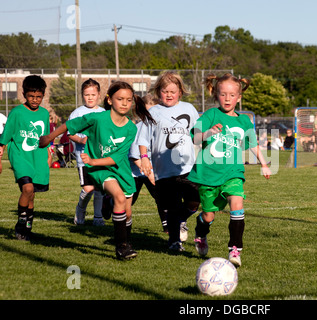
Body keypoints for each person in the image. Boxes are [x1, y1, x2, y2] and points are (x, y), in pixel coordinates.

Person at [39, 81, 154, 260]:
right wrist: (49, 138)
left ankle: (125, 238)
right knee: (119, 197)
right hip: (99, 170)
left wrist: (93, 159)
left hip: (119, 169)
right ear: (109, 100)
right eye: (120, 99)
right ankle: (121, 247)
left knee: (127, 212)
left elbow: (116, 158)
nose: (124, 103)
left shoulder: (131, 128)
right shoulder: (97, 118)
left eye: (128, 100)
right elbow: (70, 126)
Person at [188, 73, 271, 267]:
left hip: (233, 173)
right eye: (223, 94)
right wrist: (209, 132)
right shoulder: (211, 115)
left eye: (232, 95)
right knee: (208, 215)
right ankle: (200, 233)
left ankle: (235, 249)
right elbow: (195, 138)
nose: (227, 98)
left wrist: (264, 163)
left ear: (239, 98)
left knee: (237, 203)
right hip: (208, 175)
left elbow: (253, 144)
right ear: (216, 94)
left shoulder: (244, 122)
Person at [138, 71, 200, 252]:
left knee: (194, 201)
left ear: (180, 91)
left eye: (173, 91)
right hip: (164, 169)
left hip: (188, 167)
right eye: (165, 91)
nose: (169, 95)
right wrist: (144, 159)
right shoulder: (153, 112)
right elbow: (143, 139)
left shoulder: (189, 109)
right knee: (172, 207)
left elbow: (198, 135)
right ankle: (174, 241)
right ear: (158, 92)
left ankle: (181, 221)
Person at [0, 75, 51, 240]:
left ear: (43, 95)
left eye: (38, 97)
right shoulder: (17, 113)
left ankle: (28, 227)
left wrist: (49, 154)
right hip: (21, 156)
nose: (35, 100)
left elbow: (46, 137)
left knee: (32, 194)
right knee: (27, 189)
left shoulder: (44, 114)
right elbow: (5, 137)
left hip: (37, 157)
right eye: (31, 96)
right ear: (24, 94)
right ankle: (21, 224)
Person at [68, 78, 105, 226]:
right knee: (88, 188)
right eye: (86, 94)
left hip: (100, 159)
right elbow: (70, 133)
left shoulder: (104, 113)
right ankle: (80, 209)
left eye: (93, 94)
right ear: (82, 95)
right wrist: (81, 140)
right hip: (83, 158)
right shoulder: (77, 113)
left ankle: (98, 217)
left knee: (100, 188)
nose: (90, 97)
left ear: (99, 95)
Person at [129, 93, 168, 233]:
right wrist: (149, 173)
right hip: (135, 172)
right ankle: (108, 203)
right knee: (130, 200)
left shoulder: (161, 128)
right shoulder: (139, 128)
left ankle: (167, 225)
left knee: (161, 197)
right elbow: (134, 155)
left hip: (153, 171)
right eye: (148, 111)